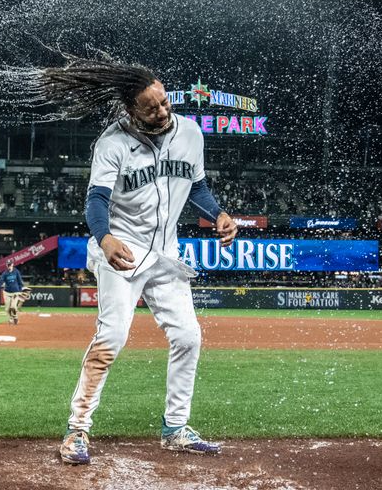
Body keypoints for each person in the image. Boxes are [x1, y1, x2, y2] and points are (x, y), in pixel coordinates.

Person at [41, 57, 238, 465]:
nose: (163, 111)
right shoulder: (112, 143)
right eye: (151, 107)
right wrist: (106, 238)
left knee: (188, 337)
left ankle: (176, 428)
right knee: (112, 338)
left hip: (166, 255)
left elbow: (196, 185)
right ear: (130, 109)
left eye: (164, 102)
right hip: (122, 253)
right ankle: (77, 431)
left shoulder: (190, 133)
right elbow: (95, 200)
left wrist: (216, 213)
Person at [0, 259, 26, 324]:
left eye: (10, 264)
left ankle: (15, 317)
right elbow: (0, 281)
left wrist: (21, 290)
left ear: (12, 264)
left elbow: (20, 281)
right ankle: (11, 318)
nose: (9, 266)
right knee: (7, 308)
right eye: (8, 265)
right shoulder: (5, 273)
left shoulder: (16, 271)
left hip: (15, 292)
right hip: (7, 293)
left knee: (13, 306)